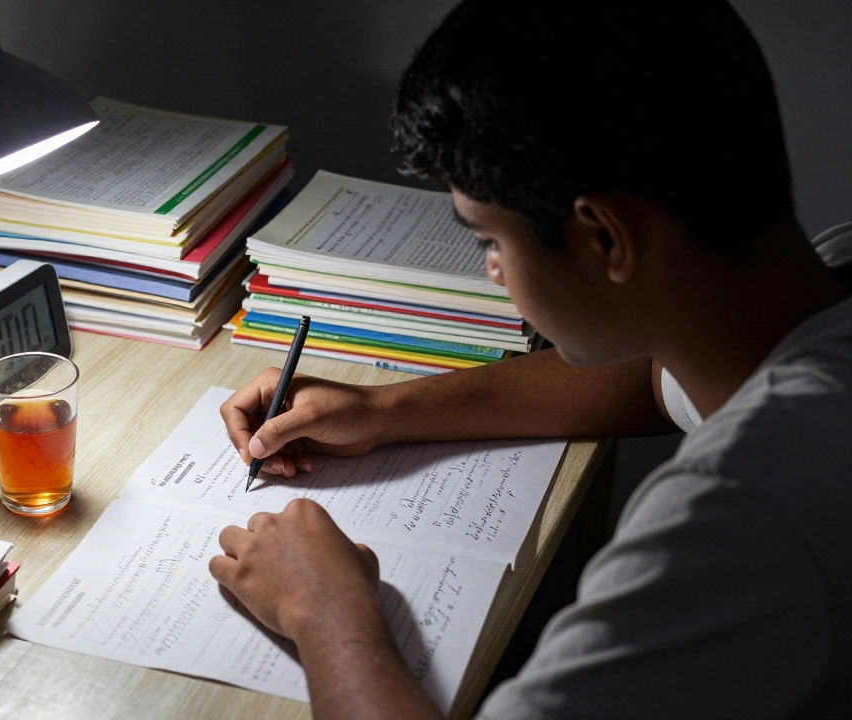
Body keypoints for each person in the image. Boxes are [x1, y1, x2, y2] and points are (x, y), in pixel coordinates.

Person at [207, 1, 852, 718]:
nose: (492, 272)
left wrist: (324, 611)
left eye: (490, 240)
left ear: (605, 238)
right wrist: (382, 409)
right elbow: (660, 379)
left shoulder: (742, 515)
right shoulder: (801, 295)